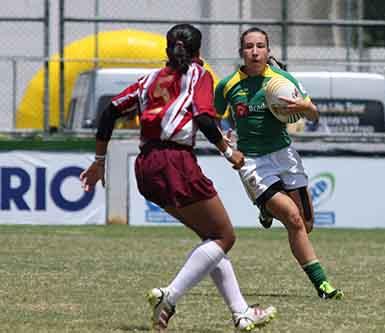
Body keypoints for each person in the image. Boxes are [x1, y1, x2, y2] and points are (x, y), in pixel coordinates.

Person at [79, 24, 276, 332]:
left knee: (211, 240)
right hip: (175, 161)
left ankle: (241, 312)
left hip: (146, 165)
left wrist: (99, 161)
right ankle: (169, 297)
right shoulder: (199, 75)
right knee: (225, 237)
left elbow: (110, 111)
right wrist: (228, 152)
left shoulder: (149, 80)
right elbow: (201, 116)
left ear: (168, 50)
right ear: (199, 52)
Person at [214, 27, 344, 300]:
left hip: (284, 156)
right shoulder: (227, 85)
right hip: (252, 163)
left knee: (306, 224)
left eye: (260, 46)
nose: (255, 51)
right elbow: (213, 117)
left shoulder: (282, 80)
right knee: (294, 219)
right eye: (249, 46)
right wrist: (223, 134)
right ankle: (322, 285)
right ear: (241, 52)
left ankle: (266, 211)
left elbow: (314, 114)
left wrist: (303, 108)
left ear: (268, 51)